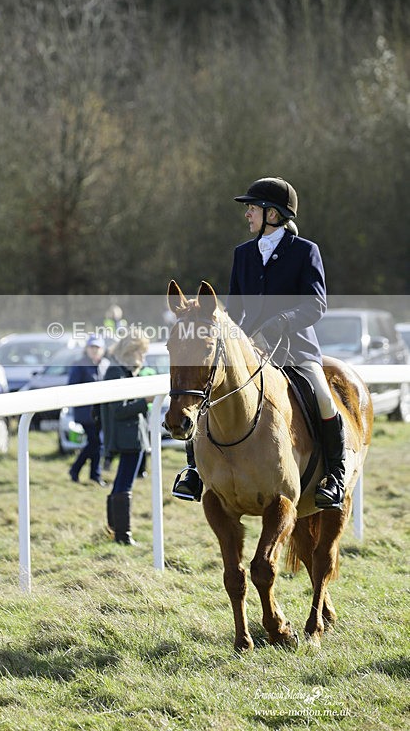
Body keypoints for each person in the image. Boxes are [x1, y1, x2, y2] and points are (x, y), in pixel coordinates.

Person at [172, 176, 346, 511]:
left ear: (273, 213)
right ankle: (194, 471)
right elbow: (235, 308)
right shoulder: (243, 254)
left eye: (252, 208)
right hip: (249, 349)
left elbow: (316, 303)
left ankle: (334, 477)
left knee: (323, 397)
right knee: (210, 393)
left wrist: (282, 321)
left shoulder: (305, 251)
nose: (248, 214)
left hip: (296, 349)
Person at [100, 331, 150, 544]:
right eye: (141, 351)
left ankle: (115, 531)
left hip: (132, 436)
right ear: (131, 351)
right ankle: (122, 535)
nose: (143, 356)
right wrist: (145, 401)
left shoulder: (123, 370)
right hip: (128, 438)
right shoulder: (116, 371)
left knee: (121, 483)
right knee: (124, 485)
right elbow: (118, 410)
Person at [68, 335, 108, 485]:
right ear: (87, 349)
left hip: (100, 413)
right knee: (95, 442)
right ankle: (89, 473)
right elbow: (72, 387)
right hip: (85, 413)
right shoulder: (79, 364)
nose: (95, 351)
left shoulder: (105, 364)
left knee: (96, 444)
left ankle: (86, 472)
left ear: (102, 350)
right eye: (92, 347)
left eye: (97, 348)